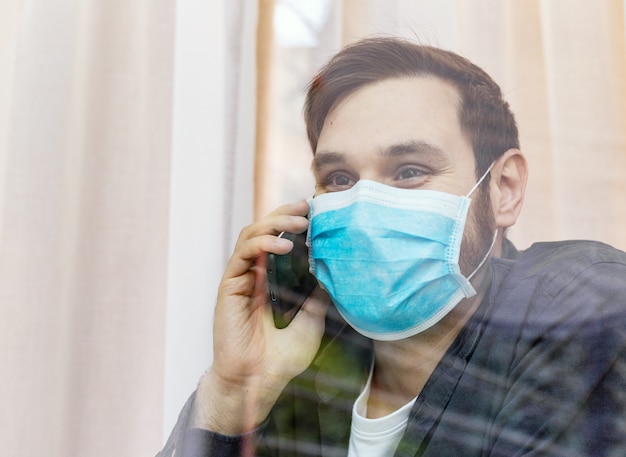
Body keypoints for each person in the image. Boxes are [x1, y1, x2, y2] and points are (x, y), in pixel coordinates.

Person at [158, 37, 626, 457]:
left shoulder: (584, 303)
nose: (363, 206)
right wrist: (234, 393)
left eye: (408, 170)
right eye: (339, 179)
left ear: (503, 188)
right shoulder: (307, 359)